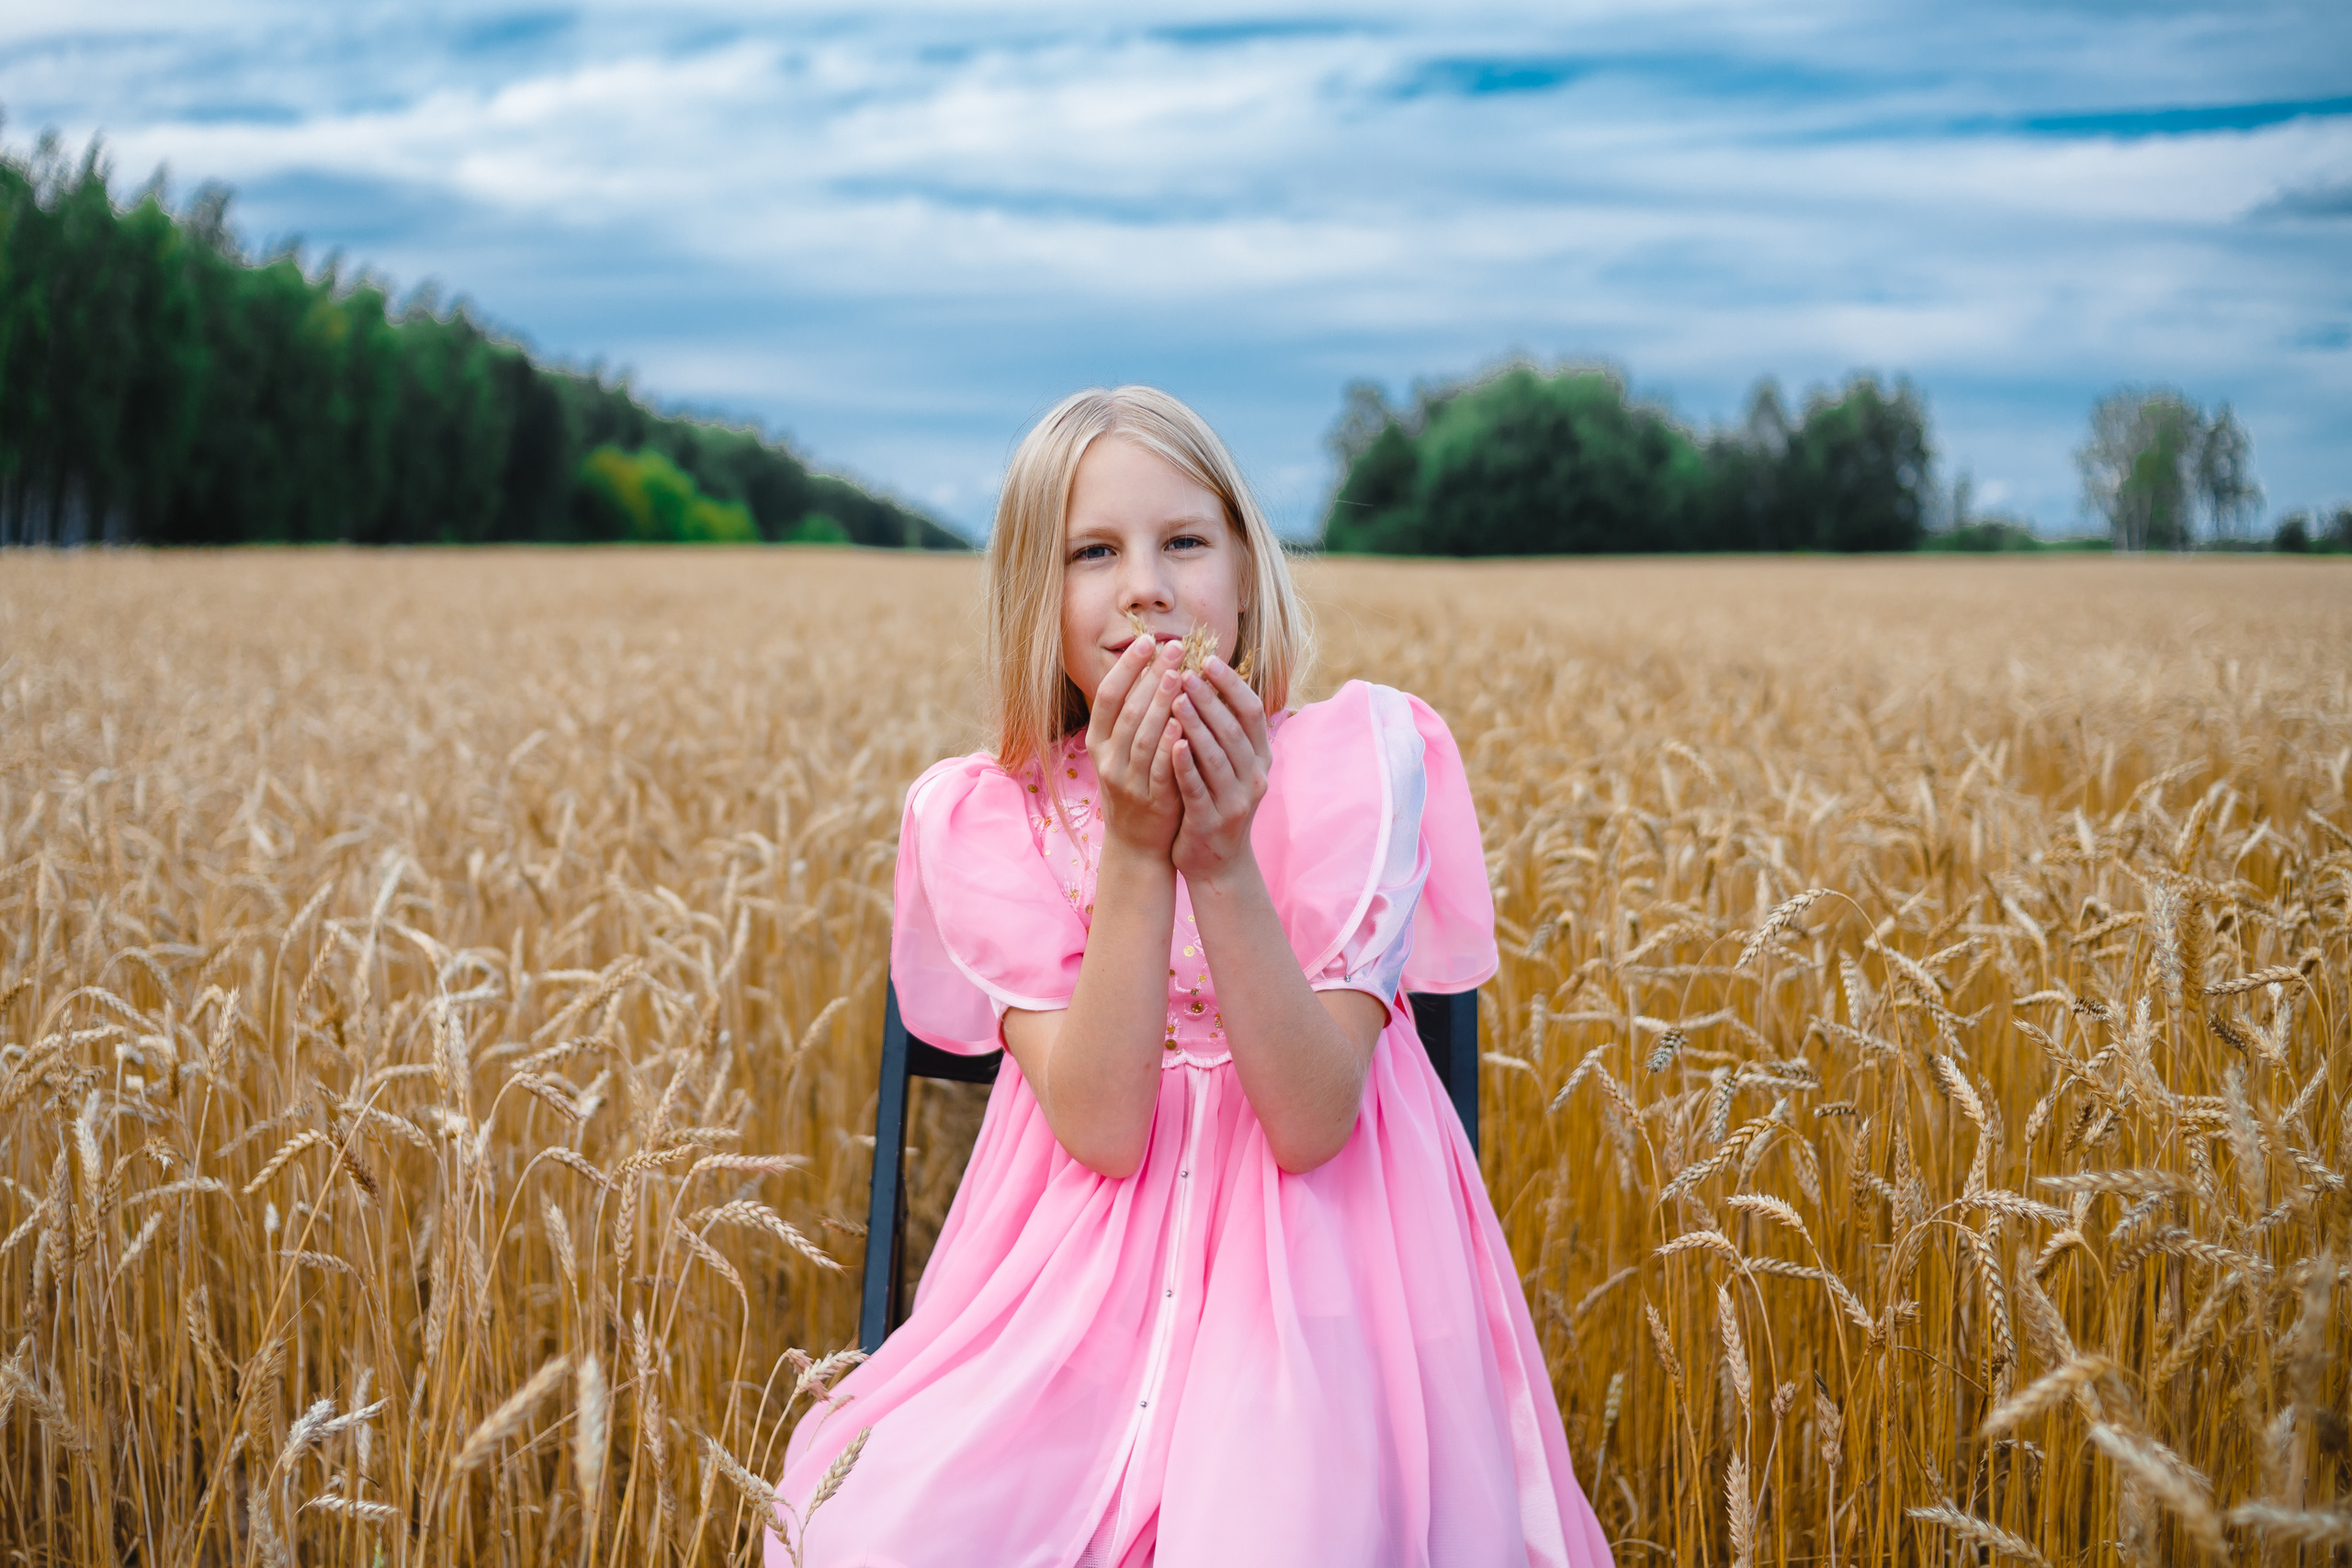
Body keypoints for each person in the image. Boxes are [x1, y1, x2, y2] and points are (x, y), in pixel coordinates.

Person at [769, 387, 1612, 1567]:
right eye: (1092, 553)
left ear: (1245, 573)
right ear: (1034, 598)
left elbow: (1316, 1119)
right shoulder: (986, 816)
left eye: (1183, 542)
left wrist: (1218, 858)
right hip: (1069, 1301)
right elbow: (1107, 1129)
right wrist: (1131, 843)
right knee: (873, 1537)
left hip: (1324, 1286)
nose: (1146, 586)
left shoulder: (1360, 765)